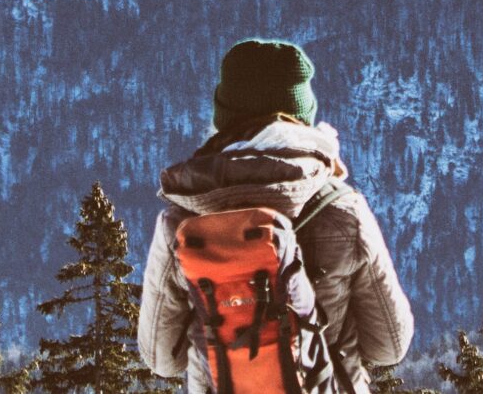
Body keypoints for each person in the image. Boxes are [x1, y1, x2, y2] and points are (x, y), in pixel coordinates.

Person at [137, 38, 415, 394]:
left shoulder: (181, 223)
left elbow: (162, 358)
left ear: (223, 116)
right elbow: (389, 345)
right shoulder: (345, 211)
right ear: (302, 113)